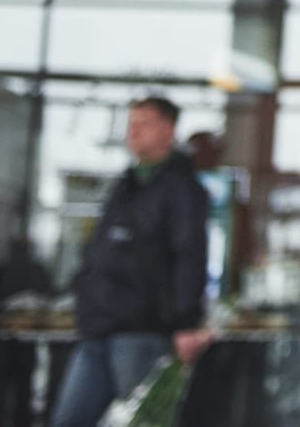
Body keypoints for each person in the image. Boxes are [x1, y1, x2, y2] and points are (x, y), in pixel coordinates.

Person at [51, 95, 212, 427]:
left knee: (145, 422)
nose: (134, 131)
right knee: (69, 419)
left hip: (143, 331)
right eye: (131, 123)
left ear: (169, 131)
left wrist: (185, 322)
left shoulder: (181, 189)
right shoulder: (125, 186)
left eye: (145, 123)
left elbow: (189, 256)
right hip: (99, 327)